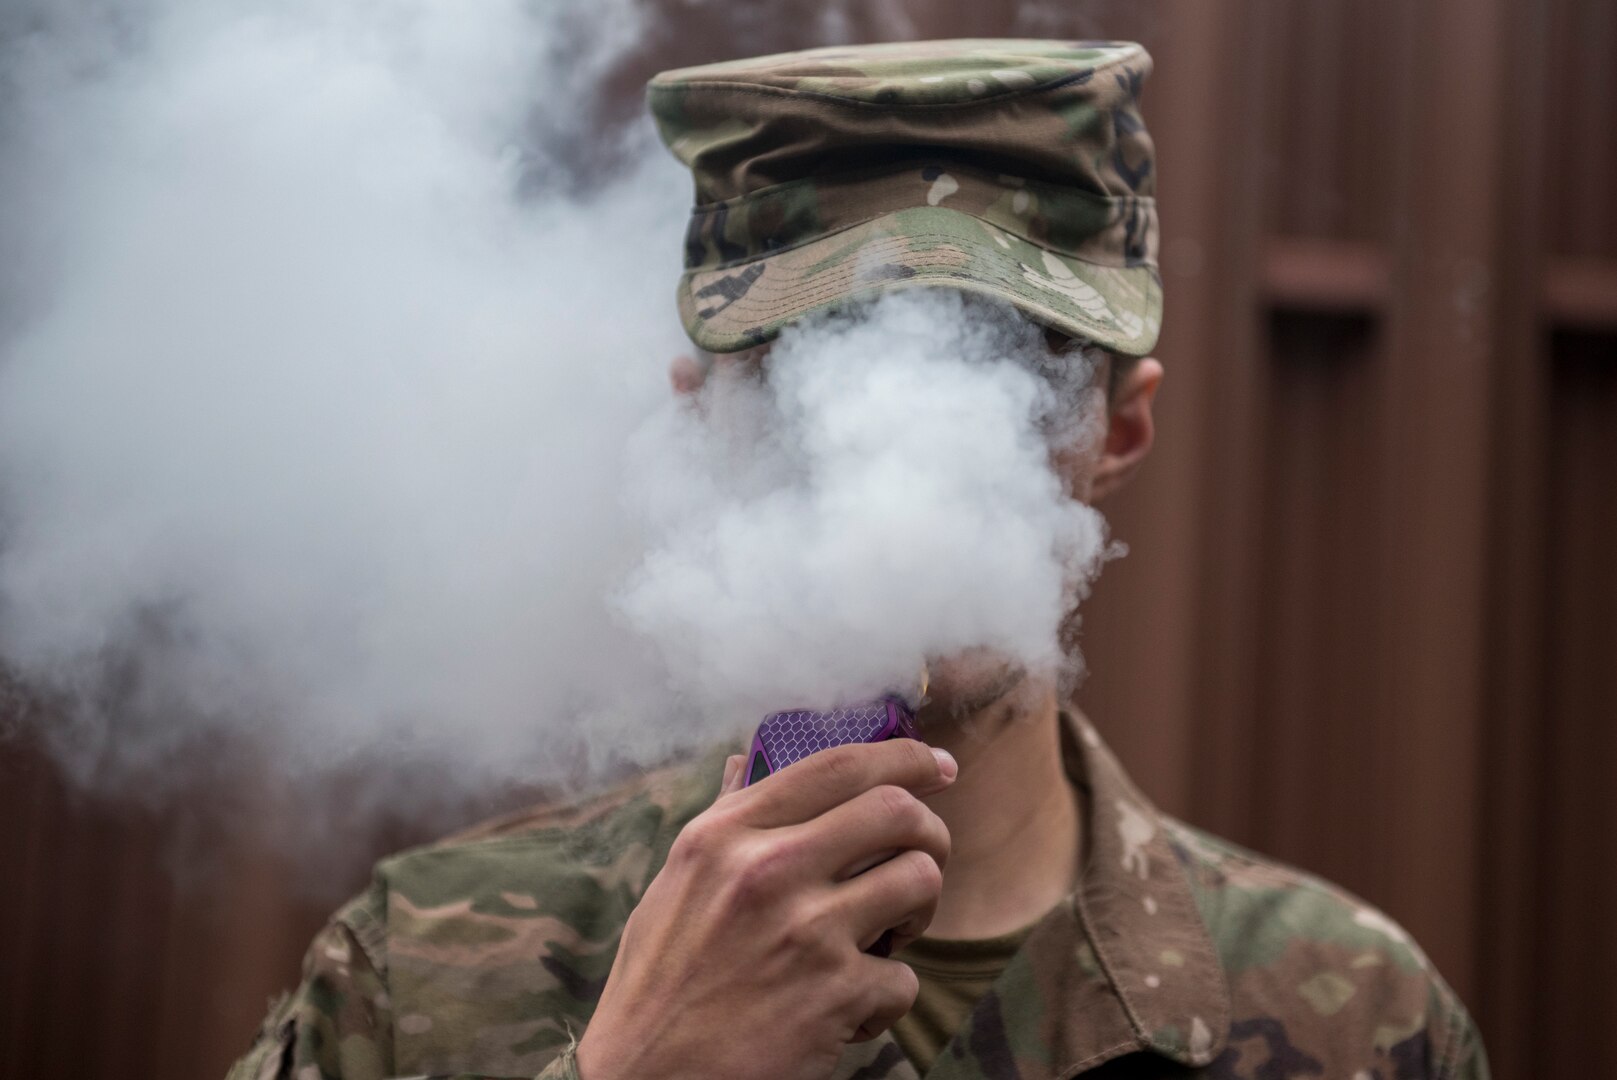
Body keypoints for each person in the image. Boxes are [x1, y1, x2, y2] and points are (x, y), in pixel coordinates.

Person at [228, 40, 1488, 1080]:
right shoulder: (421, 972)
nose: (902, 454)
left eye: (1002, 366)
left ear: (1122, 428)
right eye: (803, 370)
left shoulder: (1360, 1022)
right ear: (700, 423)